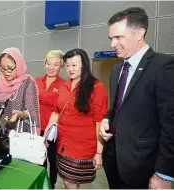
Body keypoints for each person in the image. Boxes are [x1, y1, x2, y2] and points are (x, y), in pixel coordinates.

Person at [99, 7, 174, 189]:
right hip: (114, 161)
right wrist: (106, 119)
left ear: (139, 33)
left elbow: (171, 124)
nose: (112, 44)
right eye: (111, 39)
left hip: (144, 167)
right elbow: (117, 107)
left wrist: (165, 173)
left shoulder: (163, 66)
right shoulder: (116, 70)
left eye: (118, 37)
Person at [45, 48, 108, 189]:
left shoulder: (96, 87)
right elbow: (56, 112)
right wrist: (47, 133)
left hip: (82, 148)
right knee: (67, 182)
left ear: (84, 65)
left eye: (74, 65)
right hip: (62, 145)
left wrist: (99, 153)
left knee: (70, 182)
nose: (70, 69)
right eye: (67, 65)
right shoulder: (64, 86)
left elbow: (99, 122)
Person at [35, 50, 65, 189]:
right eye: (48, 63)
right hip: (36, 128)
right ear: (44, 64)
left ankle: (51, 184)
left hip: (53, 130)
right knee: (39, 159)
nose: (51, 67)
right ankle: (41, 183)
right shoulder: (35, 82)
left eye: (56, 64)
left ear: (61, 67)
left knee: (53, 160)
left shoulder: (64, 85)